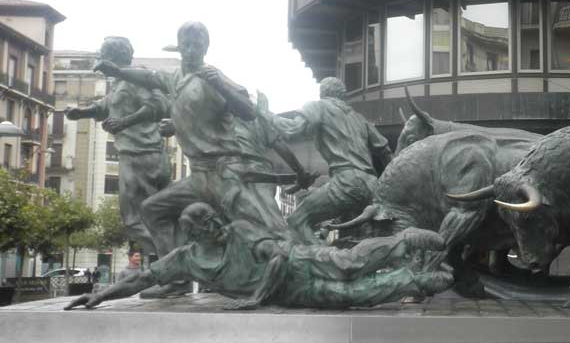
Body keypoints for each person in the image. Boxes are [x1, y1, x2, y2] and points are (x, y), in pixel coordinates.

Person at [92, 22, 316, 257]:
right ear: (179, 47)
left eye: (196, 45)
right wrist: (118, 71)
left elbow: (248, 111)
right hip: (199, 176)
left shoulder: (213, 77)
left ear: (205, 48)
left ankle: (310, 263)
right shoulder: (176, 77)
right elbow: (150, 77)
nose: (191, 51)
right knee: (151, 209)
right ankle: (177, 272)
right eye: (186, 45)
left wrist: (221, 85)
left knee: (271, 232)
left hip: (224, 174)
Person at [65, 203, 453, 311]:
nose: (217, 224)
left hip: (298, 262)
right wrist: (99, 296)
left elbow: (278, 259)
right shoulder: (187, 258)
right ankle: (413, 282)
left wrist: (255, 299)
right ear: (194, 233)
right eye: (207, 223)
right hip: (288, 293)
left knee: (350, 264)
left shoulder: (241, 232)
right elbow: (144, 278)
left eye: (215, 218)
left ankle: (404, 241)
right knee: (349, 297)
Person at [64, 37, 171, 258]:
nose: (101, 67)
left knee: (133, 218)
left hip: (140, 155)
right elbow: (106, 105)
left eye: (103, 59)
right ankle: (170, 263)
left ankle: (171, 260)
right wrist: (81, 113)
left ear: (113, 58)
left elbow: (160, 105)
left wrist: (125, 122)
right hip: (145, 155)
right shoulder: (122, 84)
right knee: (155, 214)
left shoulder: (136, 77)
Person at [273, 77, 392, 240]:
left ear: (322, 93)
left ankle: (322, 259)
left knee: (297, 220)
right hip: (372, 185)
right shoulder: (360, 119)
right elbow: (385, 152)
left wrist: (267, 117)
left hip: (346, 183)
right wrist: (388, 189)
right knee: (360, 238)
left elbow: (292, 130)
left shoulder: (318, 106)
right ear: (343, 95)